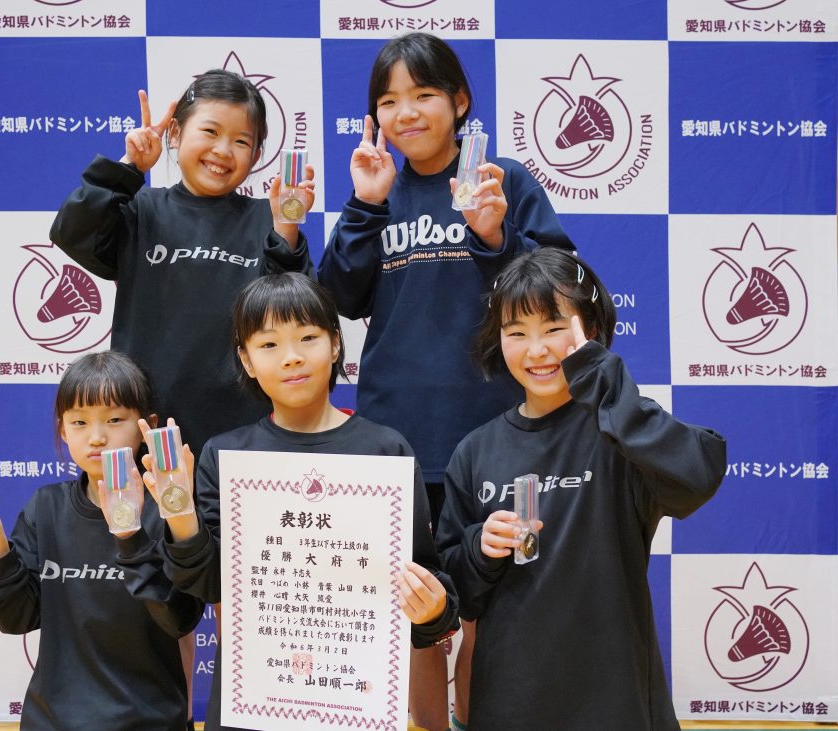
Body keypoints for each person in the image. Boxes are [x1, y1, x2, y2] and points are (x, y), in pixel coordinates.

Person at [316, 31, 574, 730]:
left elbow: (563, 286)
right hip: (397, 434)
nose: (406, 112)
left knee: (496, 601)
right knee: (415, 608)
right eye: (388, 100)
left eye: (424, 94)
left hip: (497, 432)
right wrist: (365, 205)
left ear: (459, 101)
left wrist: (496, 239)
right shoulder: (379, 188)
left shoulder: (501, 178)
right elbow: (333, 299)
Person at [136, 272, 460, 731]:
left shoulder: (385, 451)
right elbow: (208, 586)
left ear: (335, 344)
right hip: (254, 705)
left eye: (307, 337)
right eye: (268, 344)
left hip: (353, 703)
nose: (291, 357)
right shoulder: (226, 456)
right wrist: (181, 513)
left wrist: (432, 610)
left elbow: (426, 587)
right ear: (246, 360)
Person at [436, 248, 727, 731]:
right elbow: (455, 594)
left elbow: (698, 474)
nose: (536, 350)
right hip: (510, 704)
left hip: (616, 702)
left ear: (589, 330)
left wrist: (605, 384)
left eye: (553, 328)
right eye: (516, 333)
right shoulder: (474, 451)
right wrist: (479, 548)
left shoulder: (622, 433)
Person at [50, 69, 315, 465]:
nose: (223, 150)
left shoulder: (267, 218)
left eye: (241, 141)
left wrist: (286, 229)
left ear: (257, 155)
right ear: (174, 133)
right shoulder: (142, 209)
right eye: (210, 132)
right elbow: (73, 232)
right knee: (152, 507)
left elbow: (297, 314)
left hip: (246, 430)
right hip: (147, 427)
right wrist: (129, 168)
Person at [0, 351, 204, 730]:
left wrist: (130, 536)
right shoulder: (45, 507)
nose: (96, 437)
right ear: (63, 431)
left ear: (146, 426)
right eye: (80, 422)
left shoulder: (170, 510)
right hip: (52, 721)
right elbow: (16, 619)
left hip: (148, 720)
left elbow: (179, 618)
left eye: (114, 420)